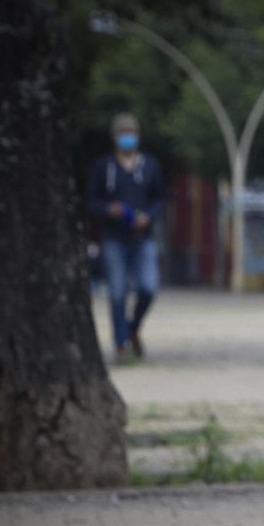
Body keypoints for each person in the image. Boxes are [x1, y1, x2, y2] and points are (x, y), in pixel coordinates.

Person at [86, 112, 165, 362]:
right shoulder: (103, 167)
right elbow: (91, 201)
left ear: (138, 136)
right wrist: (109, 209)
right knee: (117, 293)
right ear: (115, 137)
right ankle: (121, 345)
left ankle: (132, 327)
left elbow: (161, 199)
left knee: (148, 287)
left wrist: (148, 217)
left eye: (131, 133)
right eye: (123, 134)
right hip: (113, 238)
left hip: (144, 238)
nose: (127, 138)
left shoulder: (150, 166)